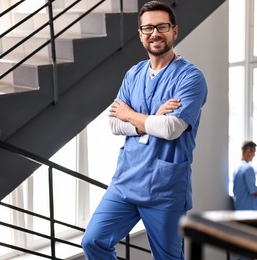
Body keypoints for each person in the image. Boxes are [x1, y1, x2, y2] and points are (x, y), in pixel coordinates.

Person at [81, 1, 208, 259]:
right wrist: (150, 120)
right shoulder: (133, 74)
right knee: (93, 241)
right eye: (148, 28)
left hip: (165, 188)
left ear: (174, 31)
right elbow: (115, 123)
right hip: (126, 182)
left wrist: (132, 116)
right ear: (140, 35)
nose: (155, 33)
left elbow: (171, 128)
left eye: (162, 26)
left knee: (167, 257)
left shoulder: (191, 78)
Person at [232, 141, 257, 210]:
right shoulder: (248, 169)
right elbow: (254, 192)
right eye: (253, 152)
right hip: (248, 208)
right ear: (248, 151)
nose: (254, 155)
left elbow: (244, 187)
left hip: (238, 206)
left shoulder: (236, 167)